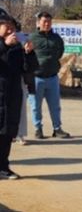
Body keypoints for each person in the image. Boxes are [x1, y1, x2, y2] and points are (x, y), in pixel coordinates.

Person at [0, 10, 37, 179]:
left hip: (12, 95)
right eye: (6, 26)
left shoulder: (17, 47)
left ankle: (3, 167)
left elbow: (29, 69)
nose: (10, 30)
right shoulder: (6, 45)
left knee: (7, 134)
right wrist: (5, 46)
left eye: (12, 27)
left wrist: (29, 53)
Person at [28, 11, 70, 139]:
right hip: (36, 78)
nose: (47, 24)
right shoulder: (32, 38)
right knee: (35, 106)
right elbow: (26, 54)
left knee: (55, 106)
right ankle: (38, 129)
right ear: (38, 23)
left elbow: (60, 52)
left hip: (52, 77)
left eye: (49, 22)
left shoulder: (56, 38)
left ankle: (57, 129)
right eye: (44, 22)